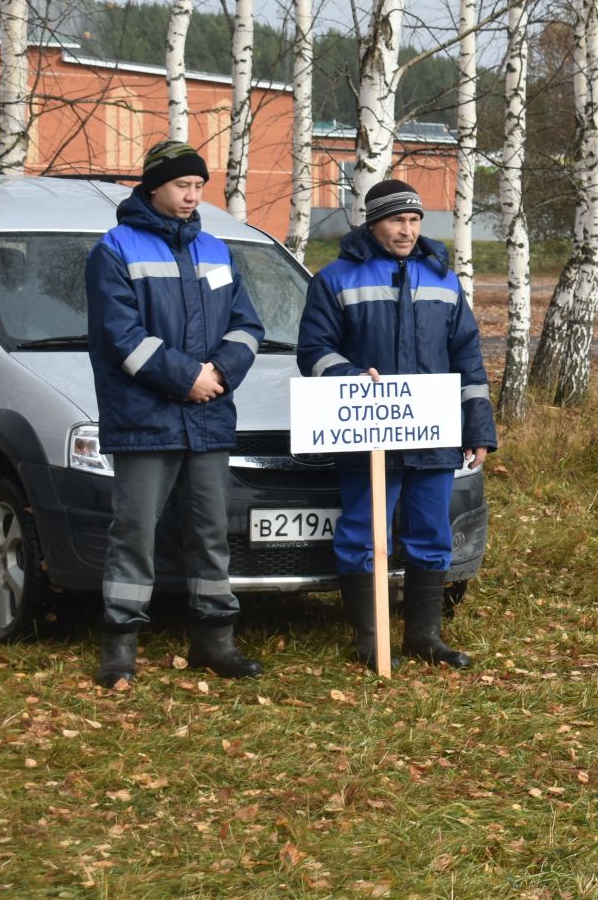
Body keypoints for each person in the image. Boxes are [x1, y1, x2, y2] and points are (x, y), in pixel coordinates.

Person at [85, 140, 266, 688]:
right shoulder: (114, 249)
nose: (192, 197)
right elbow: (120, 337)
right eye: (183, 186)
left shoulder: (216, 248)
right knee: (135, 532)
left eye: (198, 188)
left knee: (211, 531)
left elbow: (247, 326)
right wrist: (186, 378)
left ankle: (215, 641)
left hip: (207, 418)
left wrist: (219, 374)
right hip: (145, 419)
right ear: (154, 186)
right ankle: (119, 651)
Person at [296, 179, 496, 671]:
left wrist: (479, 429)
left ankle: (425, 637)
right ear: (373, 223)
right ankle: (371, 638)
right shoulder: (336, 279)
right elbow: (314, 352)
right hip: (366, 432)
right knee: (365, 534)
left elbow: (466, 357)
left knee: (432, 532)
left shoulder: (444, 279)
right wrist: (348, 377)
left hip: (434, 432)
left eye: (414, 220)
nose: (407, 230)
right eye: (395, 221)